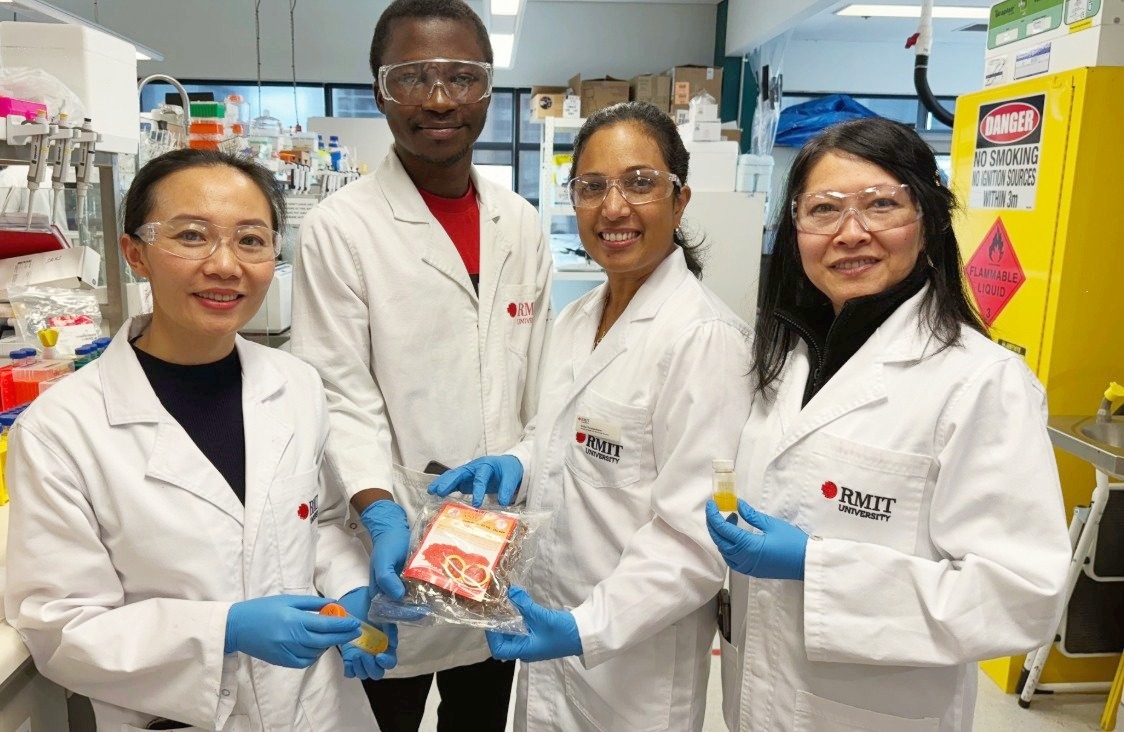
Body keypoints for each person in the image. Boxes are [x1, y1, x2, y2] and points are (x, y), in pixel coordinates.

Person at [5, 149, 393, 731]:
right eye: (192, 236)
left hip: (317, 708)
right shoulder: (61, 430)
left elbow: (321, 525)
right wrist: (223, 631)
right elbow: (61, 626)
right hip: (180, 715)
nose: (225, 265)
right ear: (134, 252)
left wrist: (352, 592)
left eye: (252, 240)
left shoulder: (296, 384)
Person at [706, 117, 1071, 731]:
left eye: (881, 205)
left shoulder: (981, 382)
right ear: (796, 229)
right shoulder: (783, 357)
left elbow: (1022, 597)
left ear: (927, 219)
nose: (851, 233)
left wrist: (815, 568)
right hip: (758, 695)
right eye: (823, 210)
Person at [429, 101, 754, 731]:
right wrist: (517, 462)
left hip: (633, 662)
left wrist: (584, 627)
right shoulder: (579, 319)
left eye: (639, 183)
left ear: (680, 201)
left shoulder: (705, 340)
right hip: (550, 637)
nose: (613, 208)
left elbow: (695, 538)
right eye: (592, 186)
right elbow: (558, 439)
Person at [290, 1, 553, 728]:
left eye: (461, 76)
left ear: (488, 89)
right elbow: (339, 393)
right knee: (387, 715)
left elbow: (539, 384)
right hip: (390, 553)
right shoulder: (340, 229)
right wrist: (379, 516)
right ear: (378, 90)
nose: (439, 99)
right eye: (412, 77)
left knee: (482, 717)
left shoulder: (519, 222)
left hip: (495, 546)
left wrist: (522, 459)